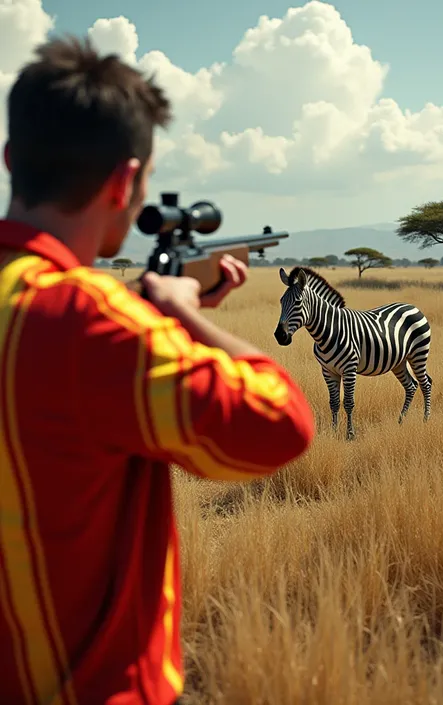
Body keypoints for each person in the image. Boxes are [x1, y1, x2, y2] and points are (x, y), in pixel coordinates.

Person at [0, 35, 315, 705]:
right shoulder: (96, 323)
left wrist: (160, 317)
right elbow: (282, 425)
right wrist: (191, 319)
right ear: (124, 182)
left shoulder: (71, 316)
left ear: (10, 160)